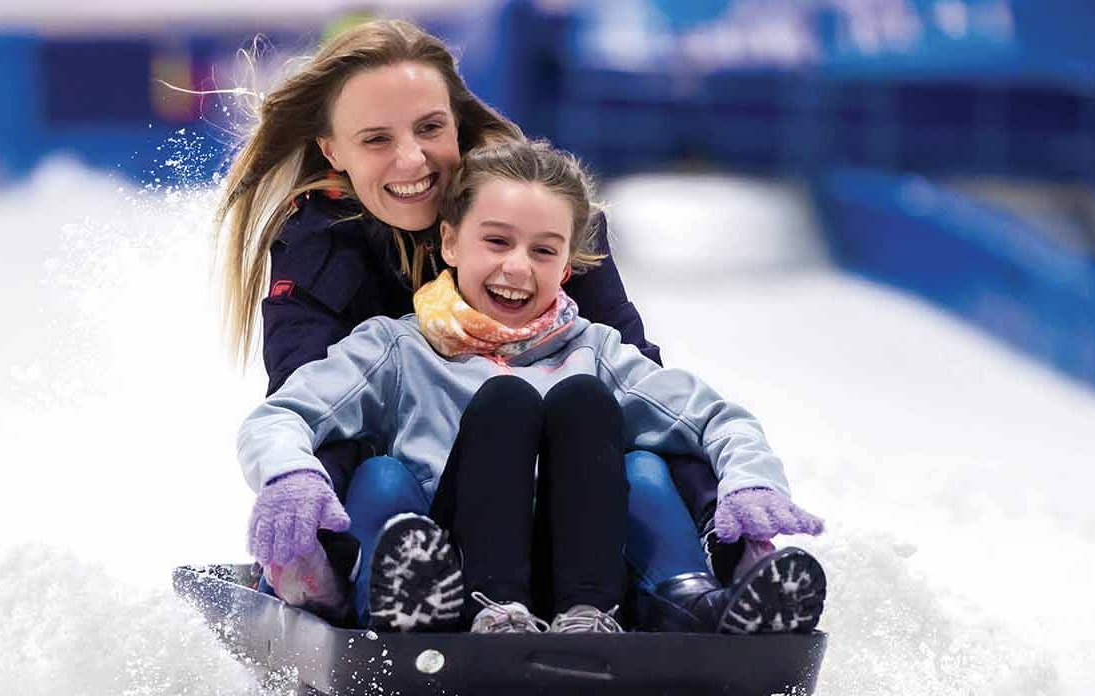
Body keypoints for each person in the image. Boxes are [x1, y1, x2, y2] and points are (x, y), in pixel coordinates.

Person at [213, 19, 776, 605]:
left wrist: (733, 496)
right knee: (360, 456)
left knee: (636, 440)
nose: (411, 160)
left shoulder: (543, 218)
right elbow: (302, 402)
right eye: (377, 140)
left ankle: (726, 564)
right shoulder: (321, 247)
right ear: (334, 150)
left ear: (456, 122)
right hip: (418, 489)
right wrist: (292, 482)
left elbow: (646, 389)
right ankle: (336, 577)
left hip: (569, 497)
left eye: (430, 128)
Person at [239, 139, 826, 635]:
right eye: (496, 242)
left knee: (625, 448)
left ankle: (686, 603)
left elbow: (716, 420)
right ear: (449, 243)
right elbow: (284, 414)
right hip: (450, 577)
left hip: (586, 584)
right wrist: (289, 474)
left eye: (543, 250)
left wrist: (750, 483)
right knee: (399, 467)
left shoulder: (595, 351)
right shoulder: (398, 348)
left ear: (566, 265)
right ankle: (426, 605)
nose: (518, 267)